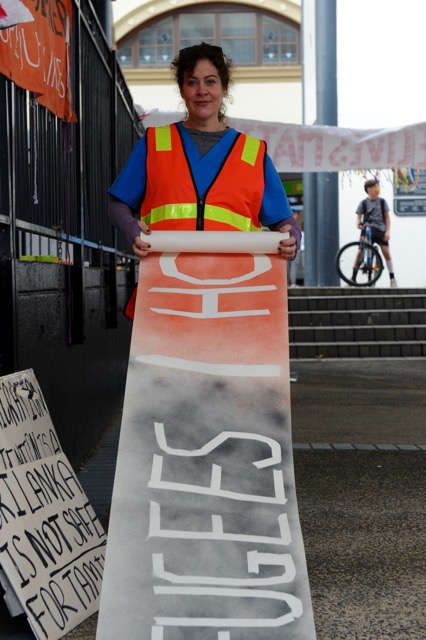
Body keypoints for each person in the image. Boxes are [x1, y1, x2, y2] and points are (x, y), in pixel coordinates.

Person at [109, 43, 300, 265]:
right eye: (192, 82)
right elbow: (117, 203)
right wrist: (129, 225)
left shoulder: (253, 153)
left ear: (224, 88)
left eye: (210, 81)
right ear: (181, 90)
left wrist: (294, 236)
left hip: (235, 284)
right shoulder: (153, 144)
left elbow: (284, 221)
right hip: (165, 282)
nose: (202, 91)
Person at [352, 179, 397, 287]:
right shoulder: (363, 203)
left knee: (386, 252)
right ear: (368, 189)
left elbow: (387, 218)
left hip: (380, 230)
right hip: (367, 229)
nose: (376, 189)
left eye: (376, 187)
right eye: (374, 187)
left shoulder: (382, 202)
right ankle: (352, 279)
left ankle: (392, 279)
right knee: (359, 252)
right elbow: (358, 218)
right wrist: (358, 225)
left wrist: (388, 232)